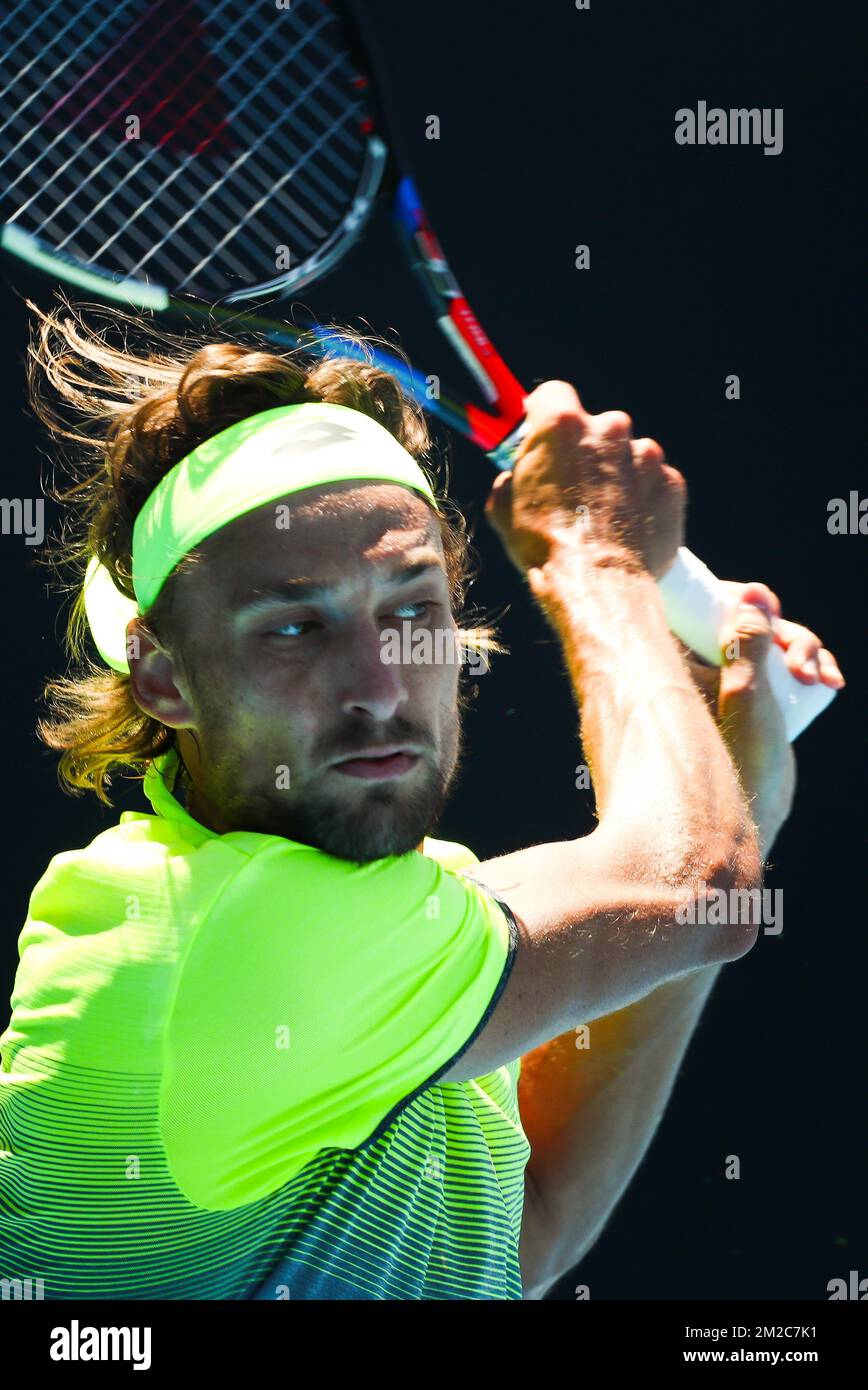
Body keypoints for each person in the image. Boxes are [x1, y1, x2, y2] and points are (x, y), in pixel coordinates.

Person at [0, 305, 843, 1301]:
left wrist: (729, 777)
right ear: (162, 676)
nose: (377, 683)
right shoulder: (206, 939)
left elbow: (530, 1224)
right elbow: (698, 883)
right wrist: (594, 556)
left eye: (410, 610)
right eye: (293, 628)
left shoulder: (410, 921)